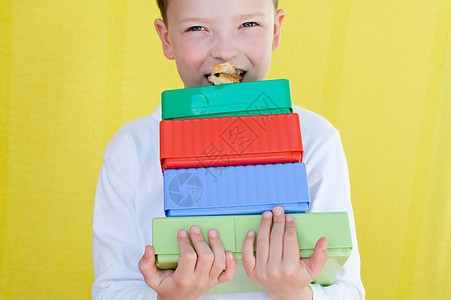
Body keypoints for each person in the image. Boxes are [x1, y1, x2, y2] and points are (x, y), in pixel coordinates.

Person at [92, 0, 365, 299]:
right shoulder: (131, 149)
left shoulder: (315, 140)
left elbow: (347, 289)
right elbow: (112, 289)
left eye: (248, 24)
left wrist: (292, 292)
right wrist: (173, 297)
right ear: (167, 38)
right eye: (197, 28)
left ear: (274, 30)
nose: (225, 51)